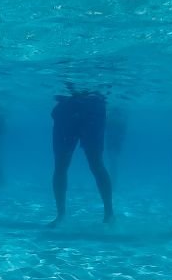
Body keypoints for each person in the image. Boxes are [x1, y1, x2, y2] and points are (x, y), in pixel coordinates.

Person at [50, 88, 113, 226]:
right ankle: (60, 214)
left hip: (92, 106)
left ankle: (109, 214)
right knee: (61, 164)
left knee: (95, 162)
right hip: (70, 106)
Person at [106, 107, 127, 186]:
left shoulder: (111, 119)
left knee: (113, 163)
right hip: (115, 143)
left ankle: (112, 182)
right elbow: (123, 133)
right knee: (113, 163)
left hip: (113, 143)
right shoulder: (121, 120)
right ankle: (112, 182)